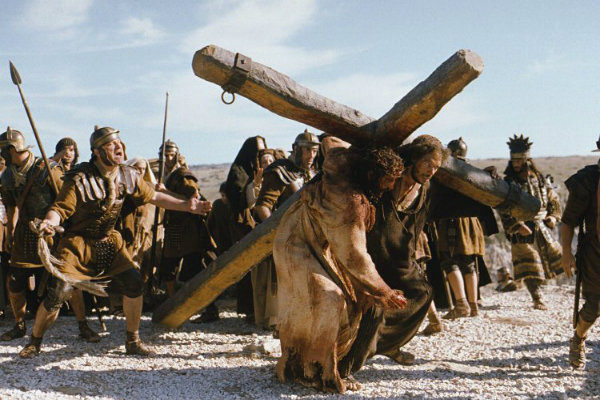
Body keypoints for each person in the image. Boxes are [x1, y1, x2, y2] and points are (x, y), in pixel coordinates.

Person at [18, 125, 211, 358]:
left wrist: (188, 206)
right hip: (77, 244)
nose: (119, 147)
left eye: (119, 142)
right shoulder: (80, 178)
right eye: (111, 144)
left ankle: (133, 341)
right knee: (58, 292)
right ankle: (34, 342)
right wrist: (49, 222)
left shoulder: (127, 175)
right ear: (97, 152)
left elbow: (155, 196)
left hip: (110, 241)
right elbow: (59, 209)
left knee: (134, 284)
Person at [339, 135, 498, 375]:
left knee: (422, 293)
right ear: (414, 159)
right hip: (371, 258)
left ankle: (387, 344)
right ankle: (346, 368)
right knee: (374, 307)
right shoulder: (387, 180)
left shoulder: (428, 191)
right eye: (427, 164)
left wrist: (486, 181)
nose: (431, 171)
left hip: (401, 261)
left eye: (436, 167)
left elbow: (462, 201)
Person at [274, 145, 406, 393]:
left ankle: (332, 364)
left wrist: (374, 289)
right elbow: (355, 255)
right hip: (296, 248)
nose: (391, 186)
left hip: (321, 247)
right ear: (371, 175)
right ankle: (312, 370)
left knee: (357, 298)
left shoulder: (353, 190)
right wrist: (383, 290)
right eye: (388, 179)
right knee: (327, 298)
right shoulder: (348, 198)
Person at [0, 128, 98, 344]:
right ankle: (19, 325)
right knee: (15, 282)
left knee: (68, 281)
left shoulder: (48, 169)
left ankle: (83, 325)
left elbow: (67, 201)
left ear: (11, 149)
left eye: (3, 151)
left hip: (53, 233)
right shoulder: (7, 175)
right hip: (25, 234)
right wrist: (10, 234)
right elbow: (11, 206)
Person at [500, 134, 562, 310]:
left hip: (542, 227)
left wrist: (553, 217)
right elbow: (503, 206)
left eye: (519, 160)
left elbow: (553, 199)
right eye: (513, 160)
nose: (516, 164)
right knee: (529, 264)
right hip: (522, 230)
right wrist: (517, 226)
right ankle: (537, 298)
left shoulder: (540, 178)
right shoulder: (509, 182)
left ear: (526, 160)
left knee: (553, 260)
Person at [436, 138, 488, 319]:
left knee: (449, 261)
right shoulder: (473, 171)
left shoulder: (447, 172)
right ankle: (473, 306)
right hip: (472, 223)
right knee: (468, 263)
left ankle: (461, 305)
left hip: (451, 221)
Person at [560, 135, 600, 369]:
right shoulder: (587, 181)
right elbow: (568, 221)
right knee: (594, 305)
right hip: (595, 252)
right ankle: (578, 338)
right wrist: (566, 253)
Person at [225, 136, 267, 320]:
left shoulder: (260, 168)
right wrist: (253, 186)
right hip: (241, 225)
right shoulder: (238, 171)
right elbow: (238, 199)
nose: (260, 155)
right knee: (247, 267)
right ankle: (248, 310)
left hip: (257, 223)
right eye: (257, 152)